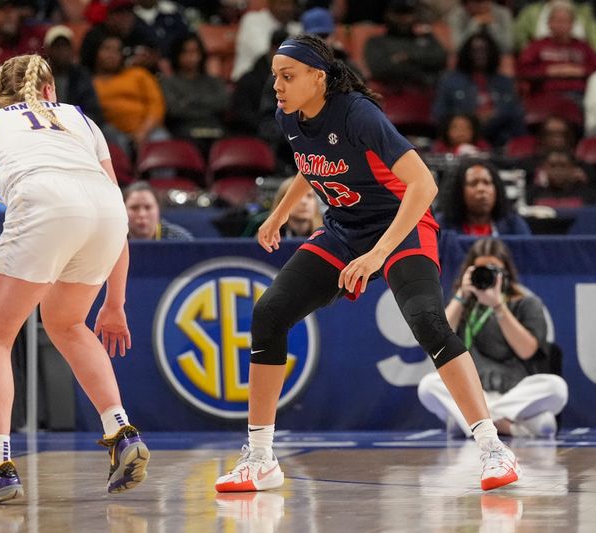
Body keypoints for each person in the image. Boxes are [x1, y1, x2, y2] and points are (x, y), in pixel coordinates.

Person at [214, 34, 521, 494]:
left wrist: (378, 253)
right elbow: (309, 162)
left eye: (287, 75)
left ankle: (493, 447)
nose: (276, 85)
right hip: (345, 230)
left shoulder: (359, 114)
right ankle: (260, 457)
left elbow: (424, 185)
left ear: (318, 78)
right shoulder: (288, 114)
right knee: (269, 313)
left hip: (404, 223)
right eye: (275, 75)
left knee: (428, 322)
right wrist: (278, 214)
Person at [0, 54, 150, 504]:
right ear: (48, 90)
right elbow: (110, 205)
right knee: (67, 323)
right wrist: (115, 303)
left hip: (45, 205)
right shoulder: (81, 119)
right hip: (105, 215)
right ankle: (121, 431)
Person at [418, 237, 568, 438]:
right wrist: (462, 295)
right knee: (428, 385)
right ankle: (511, 427)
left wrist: (498, 306)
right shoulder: (462, 305)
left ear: (505, 273)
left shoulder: (526, 303)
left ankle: (473, 424)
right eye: (480, 270)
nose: (487, 276)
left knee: (556, 387)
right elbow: (436, 337)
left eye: (493, 270)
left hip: (516, 392)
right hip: (473, 391)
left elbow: (527, 351)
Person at [433, 32, 526, 147]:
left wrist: (495, 115)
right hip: (461, 141)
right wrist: (471, 119)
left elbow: (515, 114)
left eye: (484, 51)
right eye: (475, 51)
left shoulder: (505, 82)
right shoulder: (449, 81)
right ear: (467, 52)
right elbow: (440, 114)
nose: (480, 55)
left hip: (499, 138)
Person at [437, 160, 531, 236]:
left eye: (487, 182)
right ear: (459, 191)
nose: (481, 189)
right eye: (473, 183)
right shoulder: (443, 225)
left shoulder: (513, 224)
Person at [242, 176, 324, 237]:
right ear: (281, 201)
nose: (304, 202)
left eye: (309, 196)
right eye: (296, 196)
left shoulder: (328, 234)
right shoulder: (267, 234)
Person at [123, 181, 194, 240]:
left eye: (148, 207)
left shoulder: (181, 239)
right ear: (123, 210)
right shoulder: (114, 241)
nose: (142, 214)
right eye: (134, 208)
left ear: (158, 209)